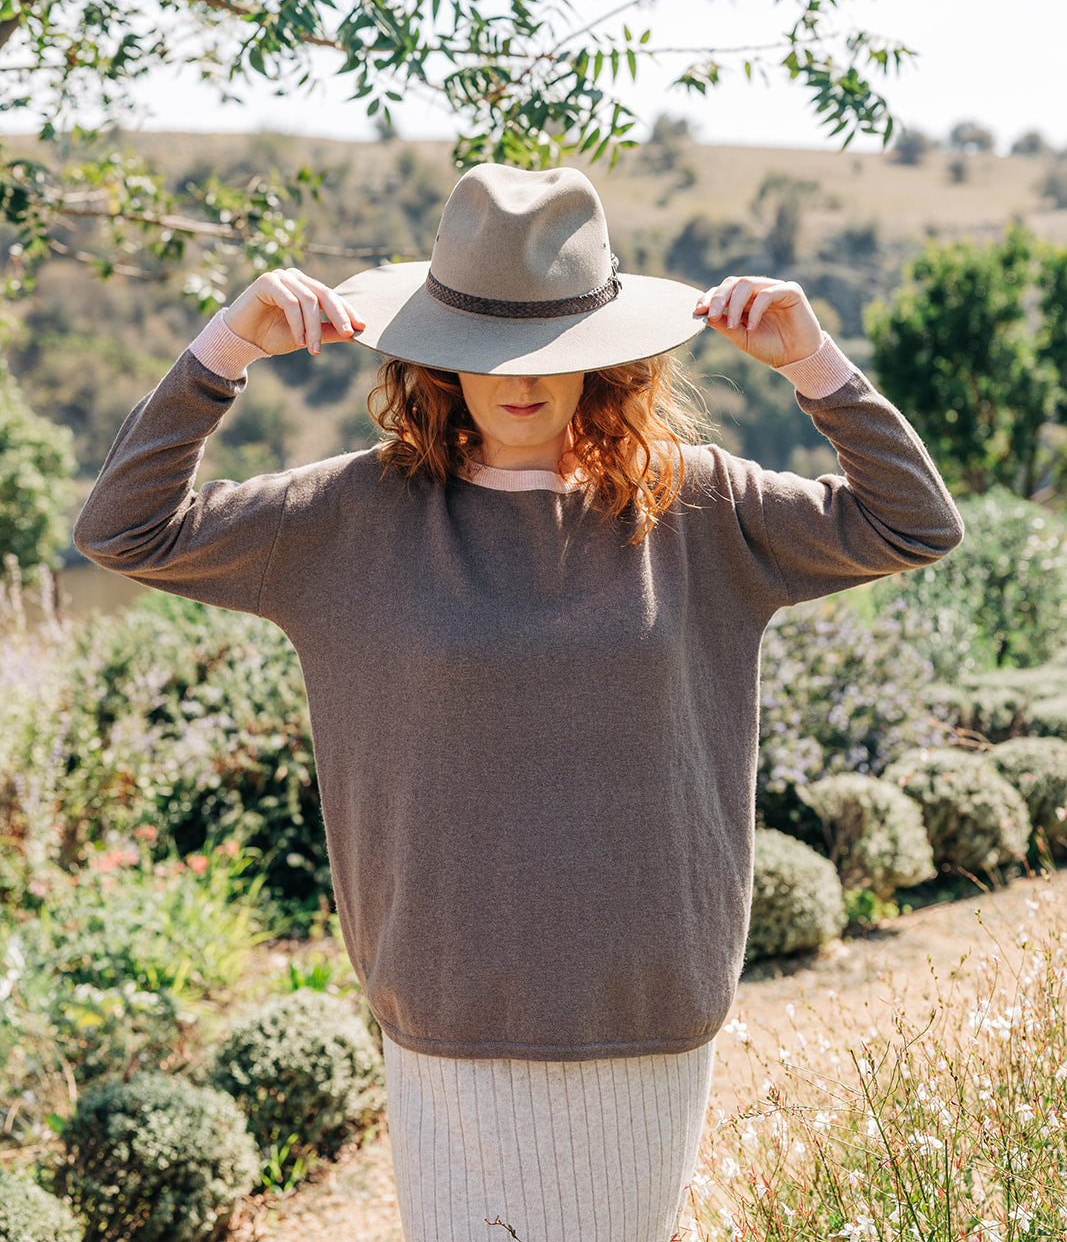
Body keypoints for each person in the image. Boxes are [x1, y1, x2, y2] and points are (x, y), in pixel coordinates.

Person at [75, 162, 963, 1242]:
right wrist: (226, 346)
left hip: (641, 1012)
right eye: (488, 348)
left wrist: (813, 364)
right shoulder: (351, 515)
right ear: (436, 357)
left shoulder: (697, 506)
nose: (519, 377)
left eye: (551, 346)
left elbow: (912, 523)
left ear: (606, 358)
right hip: (446, 1019)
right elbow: (124, 531)